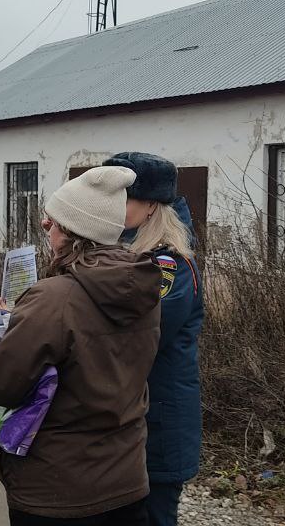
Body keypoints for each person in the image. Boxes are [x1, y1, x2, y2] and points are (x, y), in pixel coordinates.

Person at [0, 165, 163, 526]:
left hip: (59, 491)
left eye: (53, 221)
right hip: (127, 481)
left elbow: (1, 385)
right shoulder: (145, 289)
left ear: (71, 233)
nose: (46, 226)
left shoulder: (53, 298)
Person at [103, 152, 205, 526]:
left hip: (158, 421)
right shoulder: (125, 252)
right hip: (130, 414)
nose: (114, 207)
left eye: (124, 198)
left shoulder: (169, 266)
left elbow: (142, 334)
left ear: (151, 205)